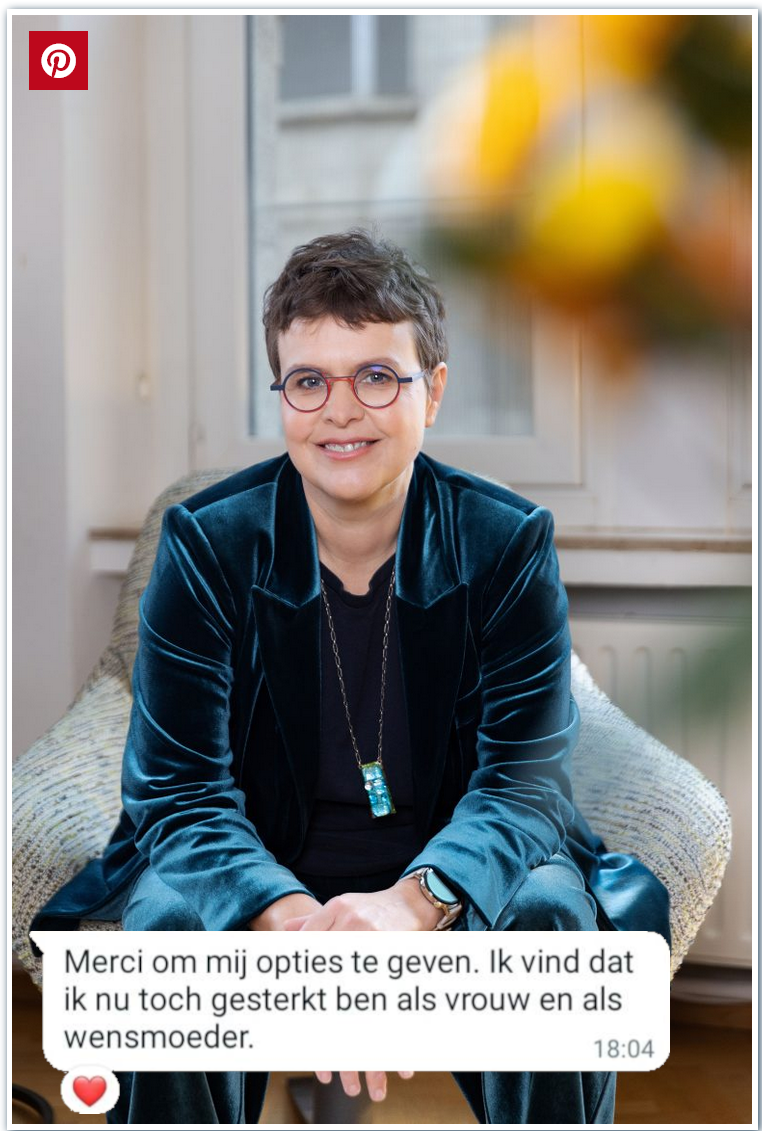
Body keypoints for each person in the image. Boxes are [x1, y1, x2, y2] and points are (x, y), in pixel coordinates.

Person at [30, 229, 670, 1124]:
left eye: (376, 376)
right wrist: (302, 931)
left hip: (450, 847)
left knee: (551, 915)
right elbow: (178, 791)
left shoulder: (507, 541)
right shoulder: (205, 544)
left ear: (432, 391)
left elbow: (525, 785)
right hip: (258, 847)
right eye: (308, 381)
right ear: (283, 396)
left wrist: (415, 904)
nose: (340, 411)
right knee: (167, 919)